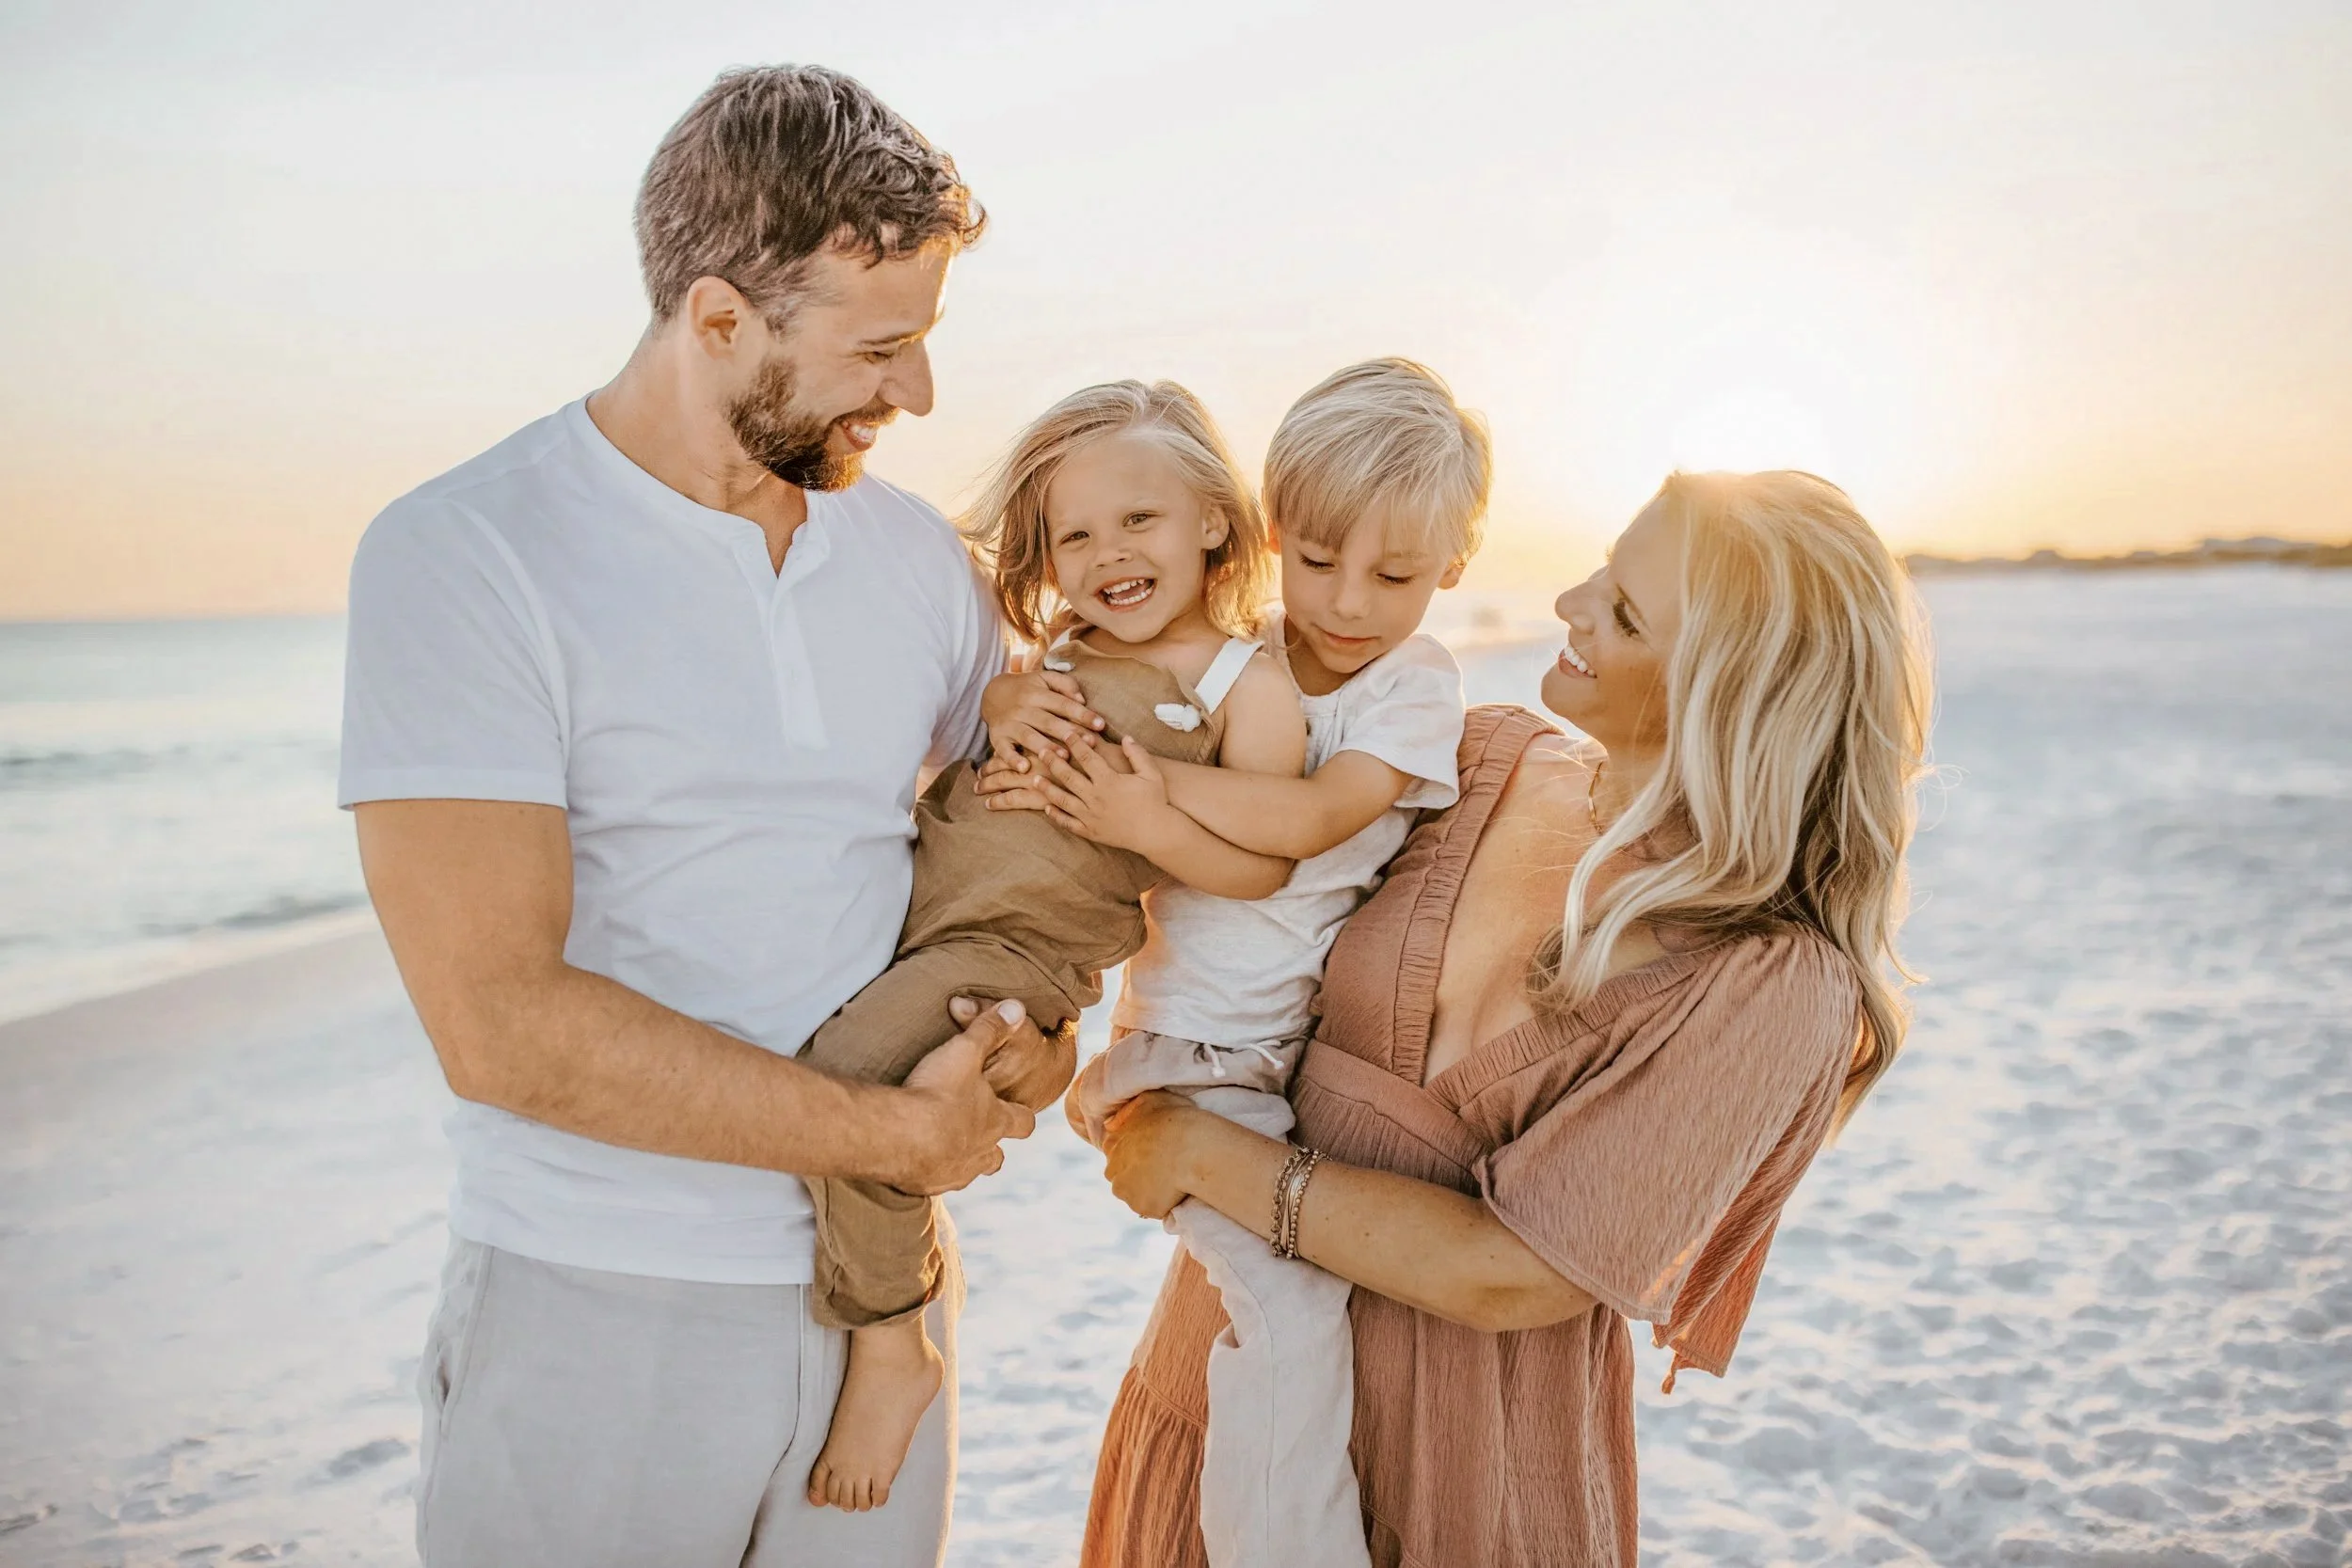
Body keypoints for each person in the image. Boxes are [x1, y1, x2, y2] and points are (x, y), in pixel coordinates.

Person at [339, 66, 1060, 1568]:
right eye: (883, 348)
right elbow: (499, 1022)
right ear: (719, 318)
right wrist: (896, 1130)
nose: (916, 394)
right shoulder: (465, 554)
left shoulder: (920, 560)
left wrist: (1020, 1043)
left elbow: (1008, 856)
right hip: (598, 1304)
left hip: (884, 1301)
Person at [1079, 469, 1932, 1567]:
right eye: (1601, 568)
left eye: (1623, 612)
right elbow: (1219, 910)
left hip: (1461, 1476)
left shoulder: (1770, 980)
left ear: (1730, 692)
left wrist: (1202, 1150)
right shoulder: (1467, 757)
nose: (1571, 604)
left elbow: (1511, 1272)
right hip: (1214, 1390)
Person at [981, 359, 1491, 1568]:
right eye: (1317, 559)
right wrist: (1012, 704)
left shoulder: (1412, 685)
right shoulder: (1232, 653)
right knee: (1292, 1307)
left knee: (1284, 1309)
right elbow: (1068, 667)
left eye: (1396, 573)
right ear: (1267, 532)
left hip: (1262, 1053)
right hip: (1197, 1049)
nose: (1349, 600)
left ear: (1456, 566)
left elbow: (1314, 816)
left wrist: (1144, 795)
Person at [795, 377, 1304, 1513]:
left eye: (1139, 519)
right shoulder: (1060, 647)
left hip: (1006, 953)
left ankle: (891, 1339)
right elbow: (967, 742)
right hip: (917, 907)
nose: (1106, 552)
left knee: (842, 1088)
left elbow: (1263, 861)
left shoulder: (1240, 682)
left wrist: (1151, 823)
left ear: (1213, 519)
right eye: (1074, 533)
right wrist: (1003, 702)